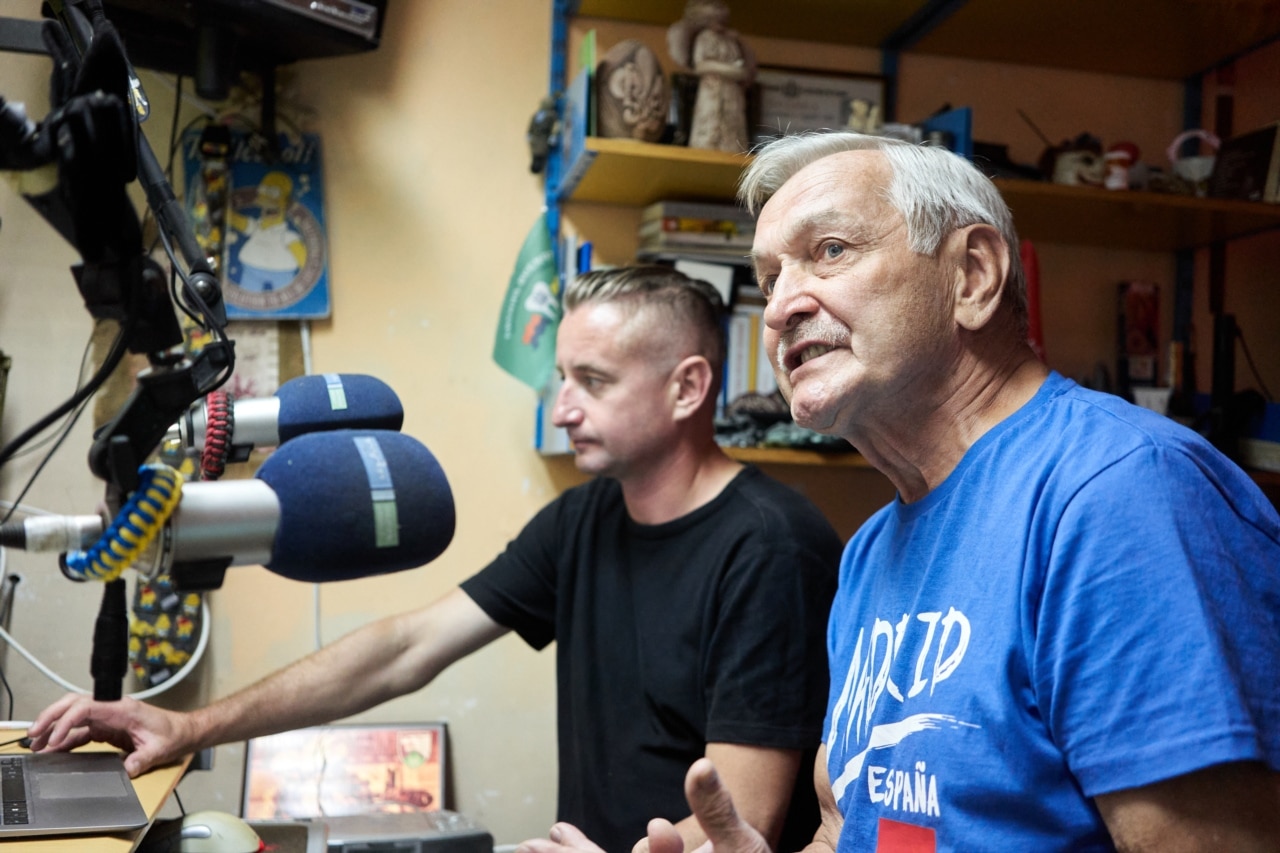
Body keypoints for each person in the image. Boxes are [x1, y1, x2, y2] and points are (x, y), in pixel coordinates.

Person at [518, 132, 1280, 853]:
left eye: (830, 250)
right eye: (770, 279)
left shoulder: (1121, 493)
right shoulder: (870, 550)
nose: (779, 307)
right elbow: (844, 829)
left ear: (973, 276)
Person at [28, 265, 842, 853]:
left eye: (592, 381)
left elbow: (744, 821)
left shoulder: (771, 548)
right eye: (562, 378)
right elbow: (406, 646)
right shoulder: (586, 518)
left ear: (687, 387)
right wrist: (189, 725)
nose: (562, 408)